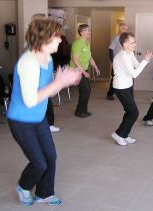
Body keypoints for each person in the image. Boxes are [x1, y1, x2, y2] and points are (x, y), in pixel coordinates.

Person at [7, 18, 82, 206]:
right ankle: (23, 187)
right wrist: (59, 82)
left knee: (51, 157)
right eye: (57, 36)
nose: (60, 40)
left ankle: (44, 193)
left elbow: (48, 92)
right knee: (39, 162)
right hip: (21, 120)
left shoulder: (47, 59)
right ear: (45, 37)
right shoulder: (29, 62)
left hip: (38, 118)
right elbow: (30, 100)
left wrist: (63, 82)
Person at [111, 32, 153, 145]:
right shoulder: (122, 57)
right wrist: (145, 60)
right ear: (124, 44)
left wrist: (145, 60)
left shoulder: (130, 53)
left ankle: (124, 134)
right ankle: (119, 134)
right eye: (132, 42)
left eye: (135, 42)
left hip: (128, 85)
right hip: (120, 87)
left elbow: (136, 65)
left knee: (129, 111)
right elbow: (134, 74)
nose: (134, 44)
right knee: (134, 112)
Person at [70, 24, 100, 118]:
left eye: (88, 30)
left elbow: (89, 57)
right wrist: (84, 72)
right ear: (81, 32)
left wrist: (95, 67)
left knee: (87, 90)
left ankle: (82, 110)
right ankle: (79, 111)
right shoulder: (77, 43)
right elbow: (75, 60)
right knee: (85, 90)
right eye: (86, 30)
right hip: (77, 70)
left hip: (83, 69)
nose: (88, 32)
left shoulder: (86, 43)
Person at [48, 34, 71, 132]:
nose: (59, 41)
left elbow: (50, 92)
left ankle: (49, 124)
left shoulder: (49, 59)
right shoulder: (30, 60)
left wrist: (60, 82)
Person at [106, 23, 129, 100]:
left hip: (124, 62)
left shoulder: (126, 38)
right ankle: (110, 94)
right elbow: (110, 49)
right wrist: (112, 61)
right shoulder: (116, 38)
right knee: (115, 78)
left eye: (127, 28)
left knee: (124, 77)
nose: (126, 30)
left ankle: (122, 91)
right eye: (124, 28)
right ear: (121, 29)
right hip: (117, 62)